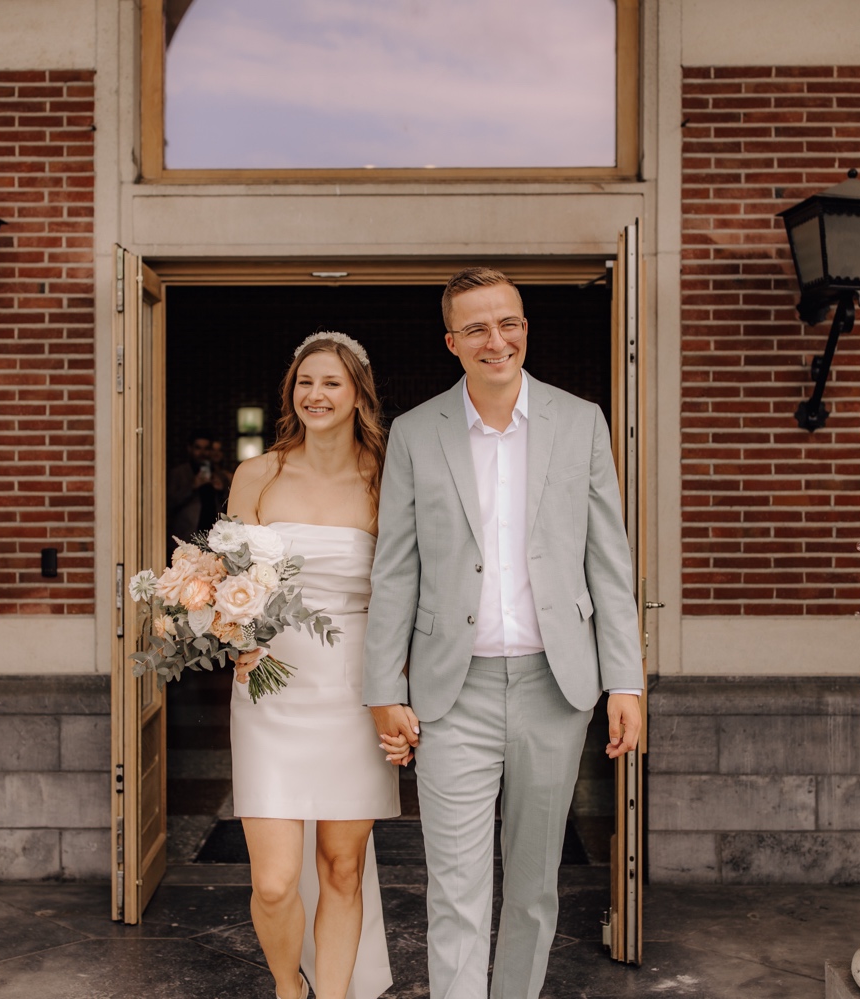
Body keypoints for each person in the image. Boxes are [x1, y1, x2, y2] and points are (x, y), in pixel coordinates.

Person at [364, 267, 645, 999]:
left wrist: (626, 680)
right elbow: (395, 569)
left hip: (557, 687)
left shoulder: (579, 420)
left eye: (509, 322)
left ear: (526, 327)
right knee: (456, 886)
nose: (498, 340)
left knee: (531, 886)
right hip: (453, 692)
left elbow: (607, 560)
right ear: (452, 341)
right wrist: (383, 688)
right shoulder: (416, 431)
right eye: (479, 328)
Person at [226, 331, 401, 999]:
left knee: (341, 866)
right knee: (272, 880)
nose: (315, 394)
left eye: (330, 382)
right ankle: (286, 986)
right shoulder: (259, 473)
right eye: (304, 382)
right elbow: (226, 578)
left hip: (355, 692)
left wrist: (399, 689)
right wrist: (231, 627)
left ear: (358, 393)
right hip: (269, 692)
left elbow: (404, 589)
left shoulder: (385, 477)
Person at [168, 429, 230, 548]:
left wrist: (222, 490)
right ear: (190, 448)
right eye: (198, 448)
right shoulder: (179, 473)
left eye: (207, 448)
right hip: (186, 537)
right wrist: (192, 486)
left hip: (214, 538)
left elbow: (231, 509)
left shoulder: (220, 475)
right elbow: (169, 503)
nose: (203, 453)